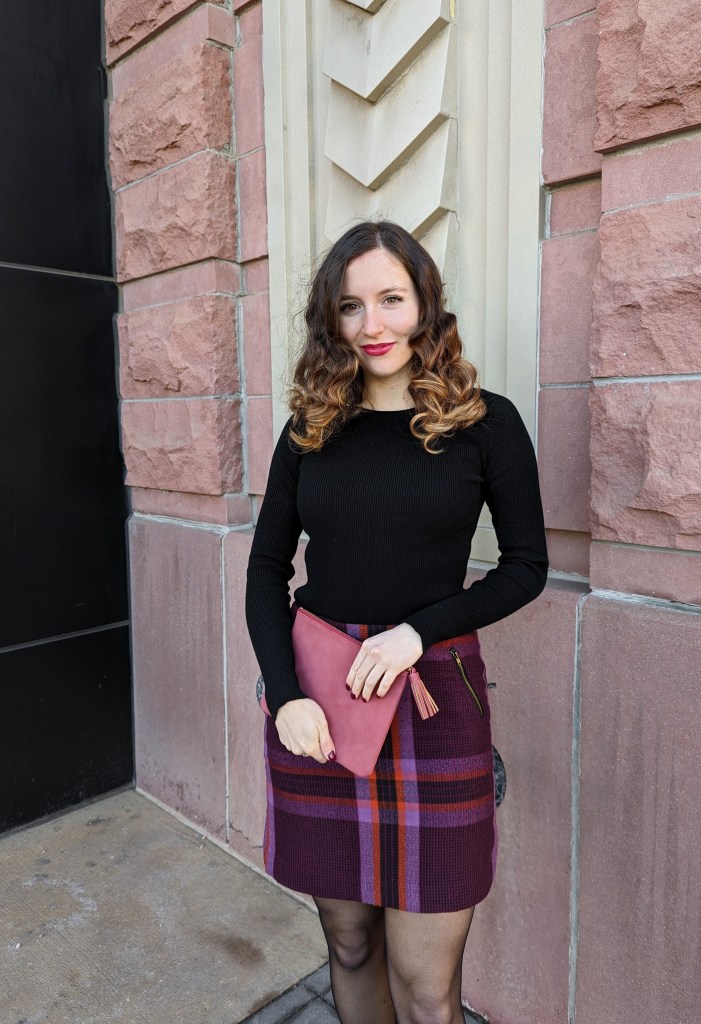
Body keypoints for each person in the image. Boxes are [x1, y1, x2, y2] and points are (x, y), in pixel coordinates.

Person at [245, 220, 547, 1024]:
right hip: (320, 705)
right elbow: (267, 571)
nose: (372, 325)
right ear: (330, 319)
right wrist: (285, 695)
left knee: (425, 982)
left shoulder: (485, 422)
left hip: (434, 704)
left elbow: (526, 567)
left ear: (424, 306)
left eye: (390, 300)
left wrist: (418, 630)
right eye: (351, 306)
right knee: (346, 942)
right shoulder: (309, 429)